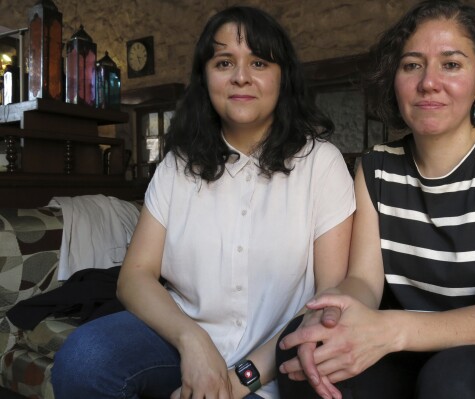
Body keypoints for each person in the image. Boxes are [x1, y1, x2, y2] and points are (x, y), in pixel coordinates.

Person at [276, 1, 475, 398]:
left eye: (451, 64)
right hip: (424, 352)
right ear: (395, 80)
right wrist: (335, 315)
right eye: (412, 65)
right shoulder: (375, 167)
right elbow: (363, 280)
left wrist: (390, 330)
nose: (428, 82)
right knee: (305, 350)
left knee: (454, 377)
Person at [52, 6, 355, 399]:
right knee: (85, 358)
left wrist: (238, 380)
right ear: (205, 76)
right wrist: (192, 341)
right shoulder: (178, 166)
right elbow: (135, 277)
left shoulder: (321, 164)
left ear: (284, 78)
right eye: (224, 61)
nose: (240, 76)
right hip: (179, 342)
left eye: (259, 62)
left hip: (277, 356)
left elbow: (327, 300)